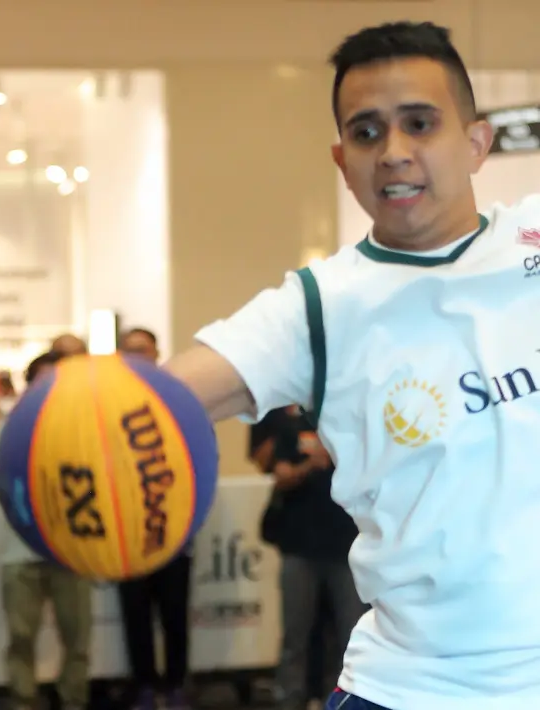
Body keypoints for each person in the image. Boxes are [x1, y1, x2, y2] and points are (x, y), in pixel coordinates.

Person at [163, 21, 540, 710]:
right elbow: (160, 400)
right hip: (408, 687)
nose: (392, 153)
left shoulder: (532, 241)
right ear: (341, 161)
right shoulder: (316, 307)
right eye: (366, 133)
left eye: (419, 124)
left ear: (476, 143)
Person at [251, 406, 363, 710]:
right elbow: (277, 472)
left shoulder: (352, 418)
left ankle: (341, 700)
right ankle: (290, 699)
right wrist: (309, 465)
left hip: (347, 546)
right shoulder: (288, 422)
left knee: (351, 638)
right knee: (295, 636)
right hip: (300, 545)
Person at [0, 350, 92, 710]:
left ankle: (74, 700)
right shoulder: (12, 428)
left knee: (78, 638)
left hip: (72, 550)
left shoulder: (83, 427)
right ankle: (23, 701)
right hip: (19, 551)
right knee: (21, 637)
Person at [116, 327, 192, 710]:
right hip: (127, 535)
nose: (138, 357)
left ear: (158, 352)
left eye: (144, 351)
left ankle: (176, 685)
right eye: (130, 351)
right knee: (135, 616)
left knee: (175, 614)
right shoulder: (108, 403)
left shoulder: (177, 399)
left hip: (174, 534)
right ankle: (144, 685)